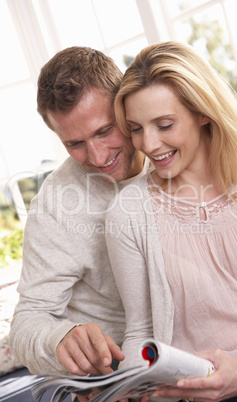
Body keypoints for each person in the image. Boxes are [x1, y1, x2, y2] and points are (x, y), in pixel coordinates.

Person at [105, 41, 237, 401]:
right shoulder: (128, 212)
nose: (148, 144)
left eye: (164, 124)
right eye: (135, 128)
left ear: (203, 112)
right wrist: (130, 389)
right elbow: (141, 331)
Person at [9, 46, 148, 379]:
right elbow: (27, 324)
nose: (98, 157)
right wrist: (59, 339)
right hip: (111, 371)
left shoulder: (172, 154)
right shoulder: (54, 206)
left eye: (104, 130)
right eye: (75, 144)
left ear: (124, 105)